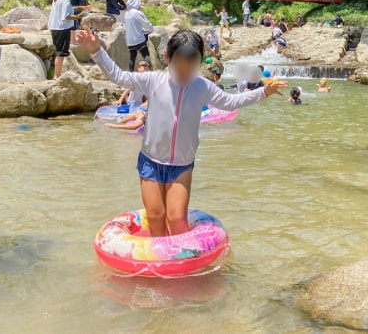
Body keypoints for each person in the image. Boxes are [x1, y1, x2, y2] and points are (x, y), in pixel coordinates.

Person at [76, 26, 287, 237]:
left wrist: (263, 92)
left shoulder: (203, 87)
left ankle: (186, 266)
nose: (185, 73)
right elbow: (119, 76)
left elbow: (231, 102)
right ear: (167, 57)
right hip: (151, 162)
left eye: (191, 67)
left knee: (177, 218)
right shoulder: (153, 81)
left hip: (182, 165)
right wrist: (96, 51)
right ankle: (159, 265)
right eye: (179, 67)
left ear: (199, 62)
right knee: (156, 216)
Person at [48, 0, 86, 79]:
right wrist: (79, 16)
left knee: (58, 52)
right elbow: (66, 16)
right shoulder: (66, 0)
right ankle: (56, 76)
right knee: (60, 53)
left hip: (55, 27)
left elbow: (64, 9)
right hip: (62, 29)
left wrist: (78, 8)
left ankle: (56, 74)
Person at [125, 0, 153, 72]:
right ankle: (148, 73)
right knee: (146, 55)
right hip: (138, 39)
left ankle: (130, 74)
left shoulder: (127, 13)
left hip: (130, 41)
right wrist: (151, 30)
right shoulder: (137, 13)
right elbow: (146, 23)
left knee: (132, 57)